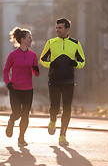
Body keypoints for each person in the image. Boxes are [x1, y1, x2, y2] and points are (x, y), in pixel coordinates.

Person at [40, 18, 85, 146]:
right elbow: (42, 59)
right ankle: (53, 120)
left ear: (67, 29)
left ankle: (63, 135)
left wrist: (75, 63)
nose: (57, 30)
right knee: (54, 106)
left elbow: (82, 62)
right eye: (56, 28)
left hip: (69, 80)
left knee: (67, 109)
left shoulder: (75, 44)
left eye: (60, 28)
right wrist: (50, 64)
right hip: (54, 79)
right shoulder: (50, 42)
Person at [3, 27, 40, 146]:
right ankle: (11, 122)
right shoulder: (13, 55)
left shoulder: (33, 55)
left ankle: (21, 138)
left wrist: (36, 69)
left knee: (25, 114)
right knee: (17, 113)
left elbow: (37, 74)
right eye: (29, 37)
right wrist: (8, 82)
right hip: (15, 89)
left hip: (28, 89)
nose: (31, 40)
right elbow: (5, 71)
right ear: (23, 39)